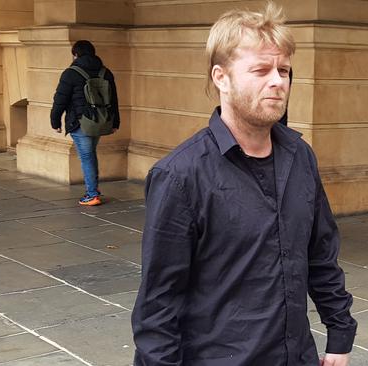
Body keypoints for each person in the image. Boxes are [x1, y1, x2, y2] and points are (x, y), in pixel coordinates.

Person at [132, 2, 356, 366]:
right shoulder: (180, 176)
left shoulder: (300, 157)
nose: (277, 81)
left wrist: (340, 333)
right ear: (221, 77)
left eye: (283, 70)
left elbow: (321, 254)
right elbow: (158, 306)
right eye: (261, 70)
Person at [50, 40, 120, 206]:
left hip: (81, 122)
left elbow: (60, 99)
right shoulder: (105, 72)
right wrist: (115, 121)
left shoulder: (71, 73)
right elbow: (114, 99)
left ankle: (92, 194)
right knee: (90, 155)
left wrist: (55, 121)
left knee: (87, 157)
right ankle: (93, 189)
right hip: (101, 121)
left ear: (75, 54)